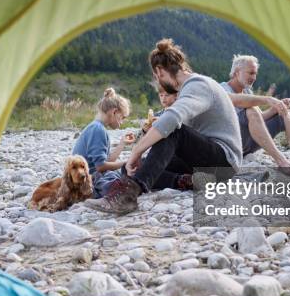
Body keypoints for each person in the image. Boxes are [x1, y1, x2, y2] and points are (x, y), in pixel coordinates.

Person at [84, 39, 243, 214]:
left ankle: (126, 197)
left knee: (174, 132)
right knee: (140, 167)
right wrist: (139, 158)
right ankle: (185, 181)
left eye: (156, 76)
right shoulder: (189, 88)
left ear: (159, 71)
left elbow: (172, 120)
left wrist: (137, 150)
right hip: (205, 163)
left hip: (225, 162)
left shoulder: (198, 85)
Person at [72, 88, 135, 199]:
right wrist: (126, 163)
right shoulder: (97, 129)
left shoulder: (97, 127)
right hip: (86, 180)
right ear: (114, 112)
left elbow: (107, 162)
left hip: (94, 175)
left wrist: (122, 144)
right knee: (113, 176)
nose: (122, 122)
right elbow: (101, 167)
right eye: (122, 117)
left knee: (117, 174)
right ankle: (113, 192)